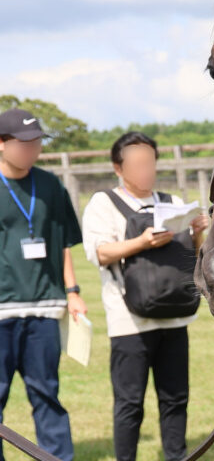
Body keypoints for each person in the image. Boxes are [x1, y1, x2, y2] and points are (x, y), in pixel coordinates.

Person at [81, 132, 208, 461]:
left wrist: (197, 233)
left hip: (175, 313)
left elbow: (191, 254)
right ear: (118, 168)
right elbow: (100, 252)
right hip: (130, 321)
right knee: (129, 402)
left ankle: (175, 457)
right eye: (137, 164)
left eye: (150, 162)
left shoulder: (173, 202)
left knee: (176, 397)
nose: (146, 170)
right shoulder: (103, 203)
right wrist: (142, 242)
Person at [0, 108, 85, 461]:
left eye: (37, 143)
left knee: (46, 393)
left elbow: (62, 241)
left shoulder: (50, 184)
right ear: (2, 144)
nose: (33, 150)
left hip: (46, 309)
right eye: (25, 143)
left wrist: (73, 291)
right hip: (2, 311)